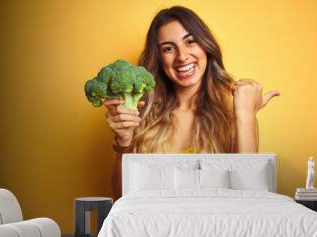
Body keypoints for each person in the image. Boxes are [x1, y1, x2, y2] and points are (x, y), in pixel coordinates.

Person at [103, 6, 280, 200]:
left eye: (190, 42)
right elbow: (122, 198)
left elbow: (249, 196)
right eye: (168, 48)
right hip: (159, 226)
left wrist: (246, 116)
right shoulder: (141, 112)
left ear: (206, 46)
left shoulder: (235, 109)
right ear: (159, 58)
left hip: (218, 226)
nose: (182, 56)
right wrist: (124, 142)